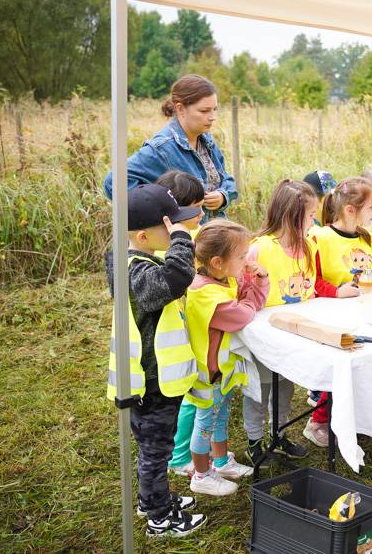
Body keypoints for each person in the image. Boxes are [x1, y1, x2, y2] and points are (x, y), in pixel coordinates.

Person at [104, 183, 206, 537]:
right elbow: (177, 277)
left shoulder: (129, 258)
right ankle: (159, 517)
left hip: (155, 378)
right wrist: (182, 240)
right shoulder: (137, 274)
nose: (179, 229)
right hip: (152, 382)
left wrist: (173, 234)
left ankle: (155, 498)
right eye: (170, 225)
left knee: (155, 448)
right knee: (155, 450)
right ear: (145, 236)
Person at [185, 220, 266, 496]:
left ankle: (220, 462)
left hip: (221, 370)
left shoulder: (219, 280)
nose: (246, 261)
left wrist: (255, 281)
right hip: (207, 374)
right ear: (218, 262)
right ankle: (201, 474)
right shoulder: (208, 295)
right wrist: (253, 293)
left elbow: (245, 299)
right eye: (242, 257)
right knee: (205, 423)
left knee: (219, 417)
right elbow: (244, 314)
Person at [244, 180, 320, 464]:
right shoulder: (259, 249)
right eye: (311, 216)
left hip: (294, 333)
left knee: (285, 385)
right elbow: (242, 291)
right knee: (259, 389)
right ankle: (254, 440)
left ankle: (280, 432)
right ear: (293, 216)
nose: (315, 222)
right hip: (264, 336)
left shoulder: (308, 247)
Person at [103, 75, 237, 222]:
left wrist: (223, 196)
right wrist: (161, 210)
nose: (212, 117)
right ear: (180, 109)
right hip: (185, 241)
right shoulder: (162, 148)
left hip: (215, 235)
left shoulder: (206, 140)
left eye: (214, 109)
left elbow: (226, 178)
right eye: (204, 111)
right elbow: (114, 182)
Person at [306, 177, 372, 446]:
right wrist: (336, 291)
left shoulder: (365, 236)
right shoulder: (319, 237)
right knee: (334, 370)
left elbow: (368, 271)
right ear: (350, 210)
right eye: (370, 208)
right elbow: (311, 279)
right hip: (330, 314)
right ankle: (318, 421)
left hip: (362, 311)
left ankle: (351, 415)